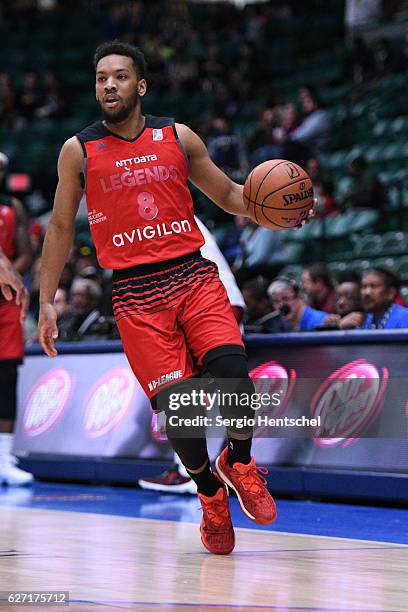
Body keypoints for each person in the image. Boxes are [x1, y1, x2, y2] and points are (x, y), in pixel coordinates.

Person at [38, 41, 312, 555]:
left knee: (233, 370)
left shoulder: (176, 136)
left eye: (119, 77)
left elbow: (231, 195)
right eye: (101, 79)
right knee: (180, 411)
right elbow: (57, 227)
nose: (109, 86)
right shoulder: (79, 150)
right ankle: (210, 495)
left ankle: (241, 461)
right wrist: (47, 301)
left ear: (140, 85)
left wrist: (279, 212)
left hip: (191, 274)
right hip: (136, 294)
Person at [138, 215, 245, 495]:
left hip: (211, 301)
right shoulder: (157, 211)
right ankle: (195, 470)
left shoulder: (161, 212)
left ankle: (191, 472)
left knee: (191, 391)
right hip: (210, 297)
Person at [0, 153, 34, 485]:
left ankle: (4, 459)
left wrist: (8, 274)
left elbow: (26, 251)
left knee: (7, 376)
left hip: (5, 299)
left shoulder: (12, 206)